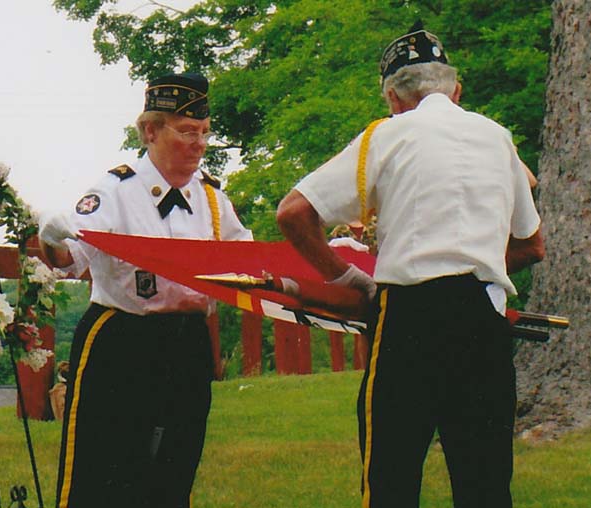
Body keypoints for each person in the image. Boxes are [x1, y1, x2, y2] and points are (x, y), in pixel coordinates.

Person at [276, 23, 544, 508]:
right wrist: (476, 262)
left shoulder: (387, 134)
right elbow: (532, 245)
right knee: (485, 484)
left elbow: (293, 212)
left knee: (391, 479)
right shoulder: (497, 137)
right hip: (484, 316)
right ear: (456, 90)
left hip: (409, 317)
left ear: (394, 99)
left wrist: (350, 278)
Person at [38, 72, 252, 508]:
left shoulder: (212, 199)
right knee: (100, 474)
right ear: (150, 130)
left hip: (188, 344)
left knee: (174, 471)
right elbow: (67, 259)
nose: (199, 144)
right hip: (122, 340)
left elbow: (246, 260)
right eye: (188, 131)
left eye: (205, 133)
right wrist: (51, 237)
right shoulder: (115, 190)